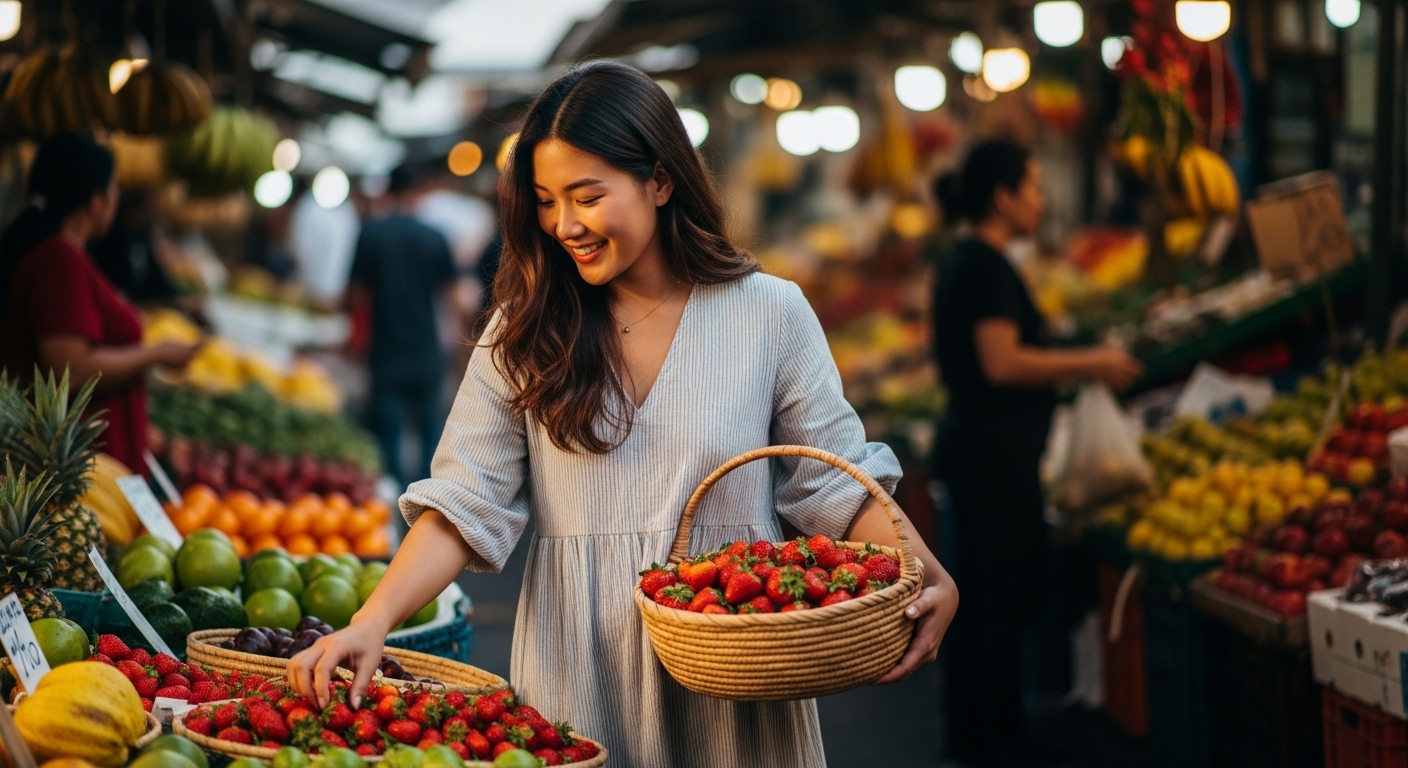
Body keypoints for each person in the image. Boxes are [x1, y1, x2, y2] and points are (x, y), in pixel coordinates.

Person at [289, 61, 959, 767]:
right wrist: (372, 623)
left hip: (738, 665)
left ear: (660, 181)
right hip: (579, 670)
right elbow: (463, 500)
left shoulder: (770, 313)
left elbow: (835, 483)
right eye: (546, 201)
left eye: (587, 196)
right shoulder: (523, 330)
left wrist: (923, 567)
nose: (564, 225)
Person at [930, 140, 1141, 766]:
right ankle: (994, 740)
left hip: (980, 452)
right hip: (992, 460)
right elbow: (1002, 361)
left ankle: (981, 732)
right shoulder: (986, 267)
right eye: (1035, 187)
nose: (1043, 201)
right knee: (997, 599)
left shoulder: (966, 260)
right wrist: (1090, 362)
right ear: (1004, 196)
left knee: (986, 598)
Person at [0, 133, 196, 471]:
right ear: (95, 200)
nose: (117, 198)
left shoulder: (60, 255)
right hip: (73, 468)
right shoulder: (59, 260)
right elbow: (70, 370)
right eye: (114, 188)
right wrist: (158, 353)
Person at [347, 163, 461, 486]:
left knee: (390, 435)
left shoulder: (371, 233)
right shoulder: (435, 237)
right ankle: (427, 508)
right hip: (426, 349)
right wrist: (459, 346)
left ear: (388, 191)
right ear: (417, 191)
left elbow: (357, 296)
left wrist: (354, 339)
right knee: (430, 435)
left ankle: (396, 503)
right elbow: (453, 298)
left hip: (386, 348)